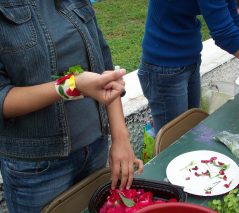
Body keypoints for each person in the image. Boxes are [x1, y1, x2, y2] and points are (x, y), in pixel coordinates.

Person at [0, 0, 143, 212]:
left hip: (95, 149)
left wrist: (121, 138)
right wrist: (72, 86)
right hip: (39, 169)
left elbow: (105, 66)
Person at [138, 0, 239, 134]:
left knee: (188, 131)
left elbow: (234, 20)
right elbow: (226, 36)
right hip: (164, 67)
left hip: (189, 59)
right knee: (172, 142)